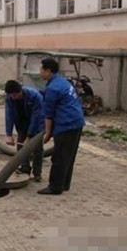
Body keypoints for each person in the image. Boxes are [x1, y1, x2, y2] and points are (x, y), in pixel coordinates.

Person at [38, 58, 85, 195]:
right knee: (68, 155)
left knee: (59, 156)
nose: (40, 72)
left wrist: (47, 134)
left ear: (48, 70)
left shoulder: (52, 88)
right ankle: (64, 184)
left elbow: (49, 114)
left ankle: (55, 187)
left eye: (41, 69)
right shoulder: (63, 82)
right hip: (77, 122)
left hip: (66, 124)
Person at [4, 80, 45, 181]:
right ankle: (25, 168)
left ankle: (37, 173)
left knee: (37, 148)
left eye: (15, 95)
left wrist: (30, 136)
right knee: (21, 147)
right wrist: (9, 134)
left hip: (37, 124)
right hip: (22, 123)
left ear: (20, 91)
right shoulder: (9, 98)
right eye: (11, 95)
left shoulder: (35, 96)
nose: (13, 97)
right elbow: (9, 114)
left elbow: (36, 117)